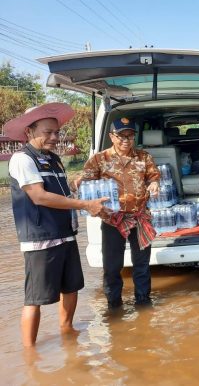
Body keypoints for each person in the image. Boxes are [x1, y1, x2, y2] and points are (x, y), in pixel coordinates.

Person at [6, 103, 106, 347]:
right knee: (35, 298)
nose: (54, 137)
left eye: (57, 132)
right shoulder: (22, 159)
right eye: (47, 132)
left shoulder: (54, 159)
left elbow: (57, 190)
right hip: (40, 238)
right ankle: (30, 351)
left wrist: (75, 184)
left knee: (71, 287)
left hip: (65, 234)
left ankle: (67, 331)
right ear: (29, 132)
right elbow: (39, 196)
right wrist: (84, 204)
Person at [79, 117, 160, 308]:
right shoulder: (99, 159)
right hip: (112, 220)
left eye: (130, 135)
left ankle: (143, 302)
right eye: (121, 135)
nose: (126, 139)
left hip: (140, 218)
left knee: (141, 266)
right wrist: (78, 188)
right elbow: (86, 183)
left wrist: (155, 183)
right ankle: (114, 306)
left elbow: (153, 176)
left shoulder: (144, 157)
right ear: (111, 136)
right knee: (112, 267)